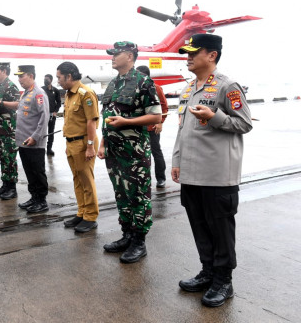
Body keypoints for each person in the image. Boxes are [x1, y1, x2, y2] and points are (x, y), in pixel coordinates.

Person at [172, 34, 252, 307]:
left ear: (212, 55)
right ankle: (208, 272)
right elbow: (182, 129)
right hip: (192, 174)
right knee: (199, 225)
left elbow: (244, 123)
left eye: (195, 52)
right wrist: (176, 161)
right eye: (187, 53)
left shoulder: (227, 86)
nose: (189, 57)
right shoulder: (189, 89)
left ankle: (223, 281)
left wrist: (213, 116)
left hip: (218, 175)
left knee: (220, 229)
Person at [97, 41, 161, 264]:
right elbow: (108, 117)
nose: (112, 57)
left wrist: (127, 121)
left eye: (117, 54)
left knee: (138, 195)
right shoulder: (113, 84)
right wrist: (103, 143)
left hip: (134, 152)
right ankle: (127, 235)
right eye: (112, 54)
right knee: (121, 193)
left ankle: (139, 242)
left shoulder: (143, 82)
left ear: (130, 56)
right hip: (114, 151)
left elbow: (155, 116)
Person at [0, 65, 50, 212]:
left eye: (21, 76)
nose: (19, 79)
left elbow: (44, 118)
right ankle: (34, 197)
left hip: (34, 142)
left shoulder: (38, 94)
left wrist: (36, 137)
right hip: (23, 141)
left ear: (31, 76)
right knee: (30, 172)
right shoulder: (26, 93)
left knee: (37, 172)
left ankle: (41, 201)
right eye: (18, 76)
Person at [56, 61, 100, 233]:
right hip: (72, 143)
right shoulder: (69, 94)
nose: (58, 80)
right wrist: (68, 143)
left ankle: (90, 217)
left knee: (87, 180)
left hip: (84, 143)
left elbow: (91, 122)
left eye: (60, 77)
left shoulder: (85, 93)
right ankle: (81, 212)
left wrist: (90, 146)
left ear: (69, 76)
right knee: (77, 179)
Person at [0, 62, 20, 200]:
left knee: (10, 158)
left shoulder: (11, 86)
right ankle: (5, 184)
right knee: (2, 157)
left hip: (8, 129)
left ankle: (12, 188)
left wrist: (0, 103)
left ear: (5, 71)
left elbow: (17, 105)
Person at [136, 65, 168, 188]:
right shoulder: (135, 89)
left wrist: (160, 122)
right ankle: (143, 179)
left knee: (156, 152)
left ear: (145, 75)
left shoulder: (156, 88)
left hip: (152, 128)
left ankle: (161, 178)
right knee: (140, 155)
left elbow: (164, 107)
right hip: (138, 128)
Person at [42, 73, 62, 156]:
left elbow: (59, 102)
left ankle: (49, 149)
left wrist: (55, 112)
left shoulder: (55, 90)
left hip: (52, 115)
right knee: (42, 132)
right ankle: (41, 148)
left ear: (51, 80)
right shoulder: (41, 89)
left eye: (47, 79)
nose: (45, 80)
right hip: (43, 115)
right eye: (44, 79)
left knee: (51, 132)